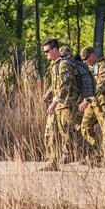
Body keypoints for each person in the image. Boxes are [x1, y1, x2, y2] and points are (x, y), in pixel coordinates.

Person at [41, 39, 82, 171]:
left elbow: (66, 86)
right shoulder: (55, 64)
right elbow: (56, 83)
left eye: (47, 51)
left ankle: (88, 154)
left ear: (55, 50)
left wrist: (54, 102)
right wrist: (48, 92)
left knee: (70, 133)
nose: (46, 54)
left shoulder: (64, 64)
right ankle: (52, 162)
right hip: (59, 104)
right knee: (50, 133)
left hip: (66, 105)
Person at [79, 46, 105, 165]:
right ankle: (96, 151)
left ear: (92, 55)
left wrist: (88, 98)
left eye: (86, 59)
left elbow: (102, 83)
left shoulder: (103, 65)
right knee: (85, 127)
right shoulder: (92, 67)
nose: (84, 61)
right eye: (83, 60)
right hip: (93, 102)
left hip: (103, 101)